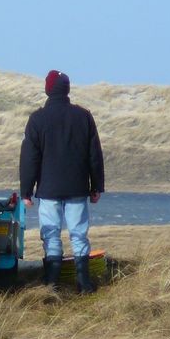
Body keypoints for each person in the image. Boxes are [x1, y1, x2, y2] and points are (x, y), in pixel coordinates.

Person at [19, 70, 105, 293]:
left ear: (48, 90)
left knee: (51, 233)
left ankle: (52, 283)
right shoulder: (83, 116)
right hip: (77, 187)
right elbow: (94, 155)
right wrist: (96, 186)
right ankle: (84, 283)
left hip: (48, 189)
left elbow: (30, 158)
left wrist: (26, 191)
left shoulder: (37, 118)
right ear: (67, 90)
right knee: (78, 233)